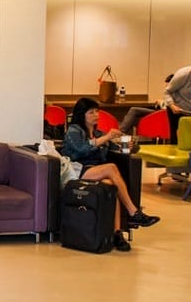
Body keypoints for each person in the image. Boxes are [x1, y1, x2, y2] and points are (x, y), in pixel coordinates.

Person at [61, 97, 161, 252]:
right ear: (82, 114)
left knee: (112, 188)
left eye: (97, 111)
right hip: (77, 170)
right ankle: (134, 211)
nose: (96, 115)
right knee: (111, 168)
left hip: (95, 170)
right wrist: (106, 137)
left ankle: (117, 234)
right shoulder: (74, 130)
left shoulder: (99, 133)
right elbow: (81, 149)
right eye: (91, 112)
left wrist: (130, 146)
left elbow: (119, 148)